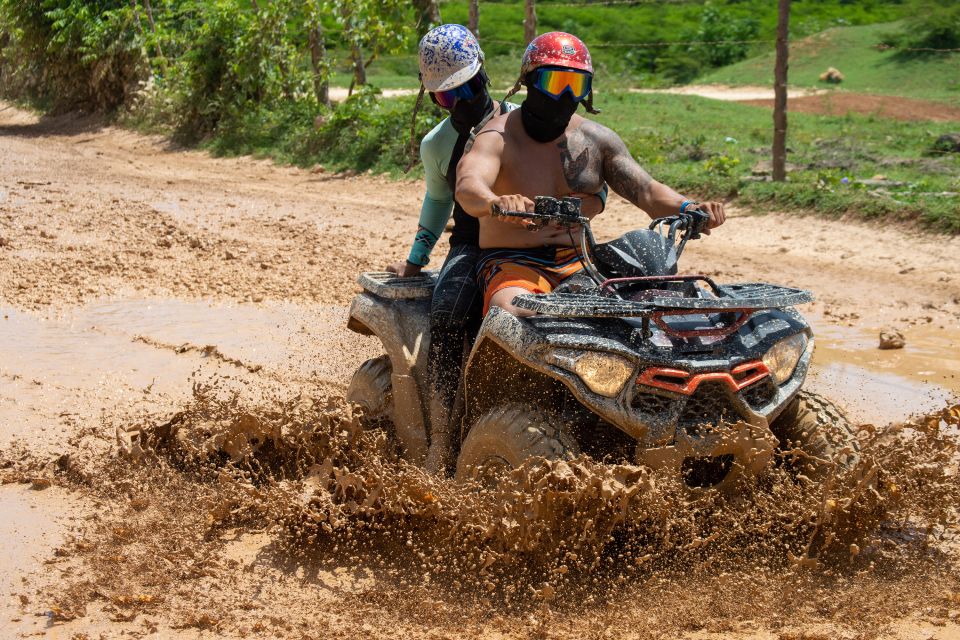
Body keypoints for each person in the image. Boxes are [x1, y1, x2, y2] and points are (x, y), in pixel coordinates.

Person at [387, 24, 610, 474]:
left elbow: (588, 181)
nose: (464, 100)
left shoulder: (523, 120)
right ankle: (444, 435)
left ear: (485, 74)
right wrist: (416, 259)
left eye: (469, 85)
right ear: (434, 99)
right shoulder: (437, 144)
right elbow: (437, 201)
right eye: (449, 96)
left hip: (552, 243)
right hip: (478, 242)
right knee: (448, 313)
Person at [455, 32, 727, 317]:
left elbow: (647, 191)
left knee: (645, 303)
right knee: (516, 311)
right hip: (513, 263)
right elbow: (468, 186)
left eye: (576, 85)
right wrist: (495, 202)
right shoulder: (496, 136)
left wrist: (689, 207)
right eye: (555, 83)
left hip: (580, 262)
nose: (566, 95)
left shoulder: (598, 140)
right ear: (529, 81)